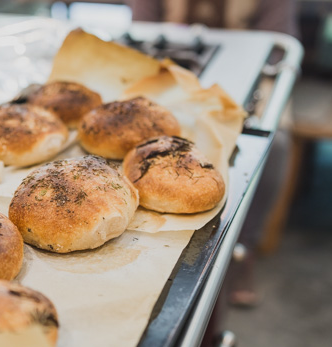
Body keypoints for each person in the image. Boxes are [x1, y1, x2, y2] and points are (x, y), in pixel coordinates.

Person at [126, 0, 299, 307]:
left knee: (274, 144)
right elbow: (142, 30)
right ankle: (154, 249)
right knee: (140, 128)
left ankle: (241, 247)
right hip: (170, 68)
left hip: (252, 70)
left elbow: (276, 45)